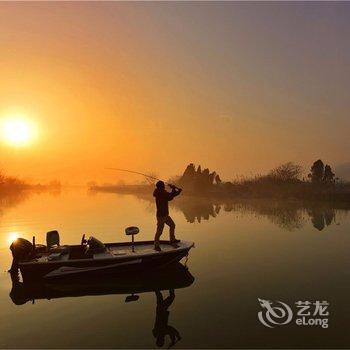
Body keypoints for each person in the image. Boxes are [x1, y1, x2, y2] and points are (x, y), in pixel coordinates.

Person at [153, 180, 182, 251]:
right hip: (161, 216)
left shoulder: (159, 192)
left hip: (165, 215)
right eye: (163, 186)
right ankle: (156, 246)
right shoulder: (161, 193)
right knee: (159, 231)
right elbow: (170, 196)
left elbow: (170, 196)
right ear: (161, 187)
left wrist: (174, 190)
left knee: (172, 225)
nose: (164, 187)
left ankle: (172, 240)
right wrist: (175, 189)